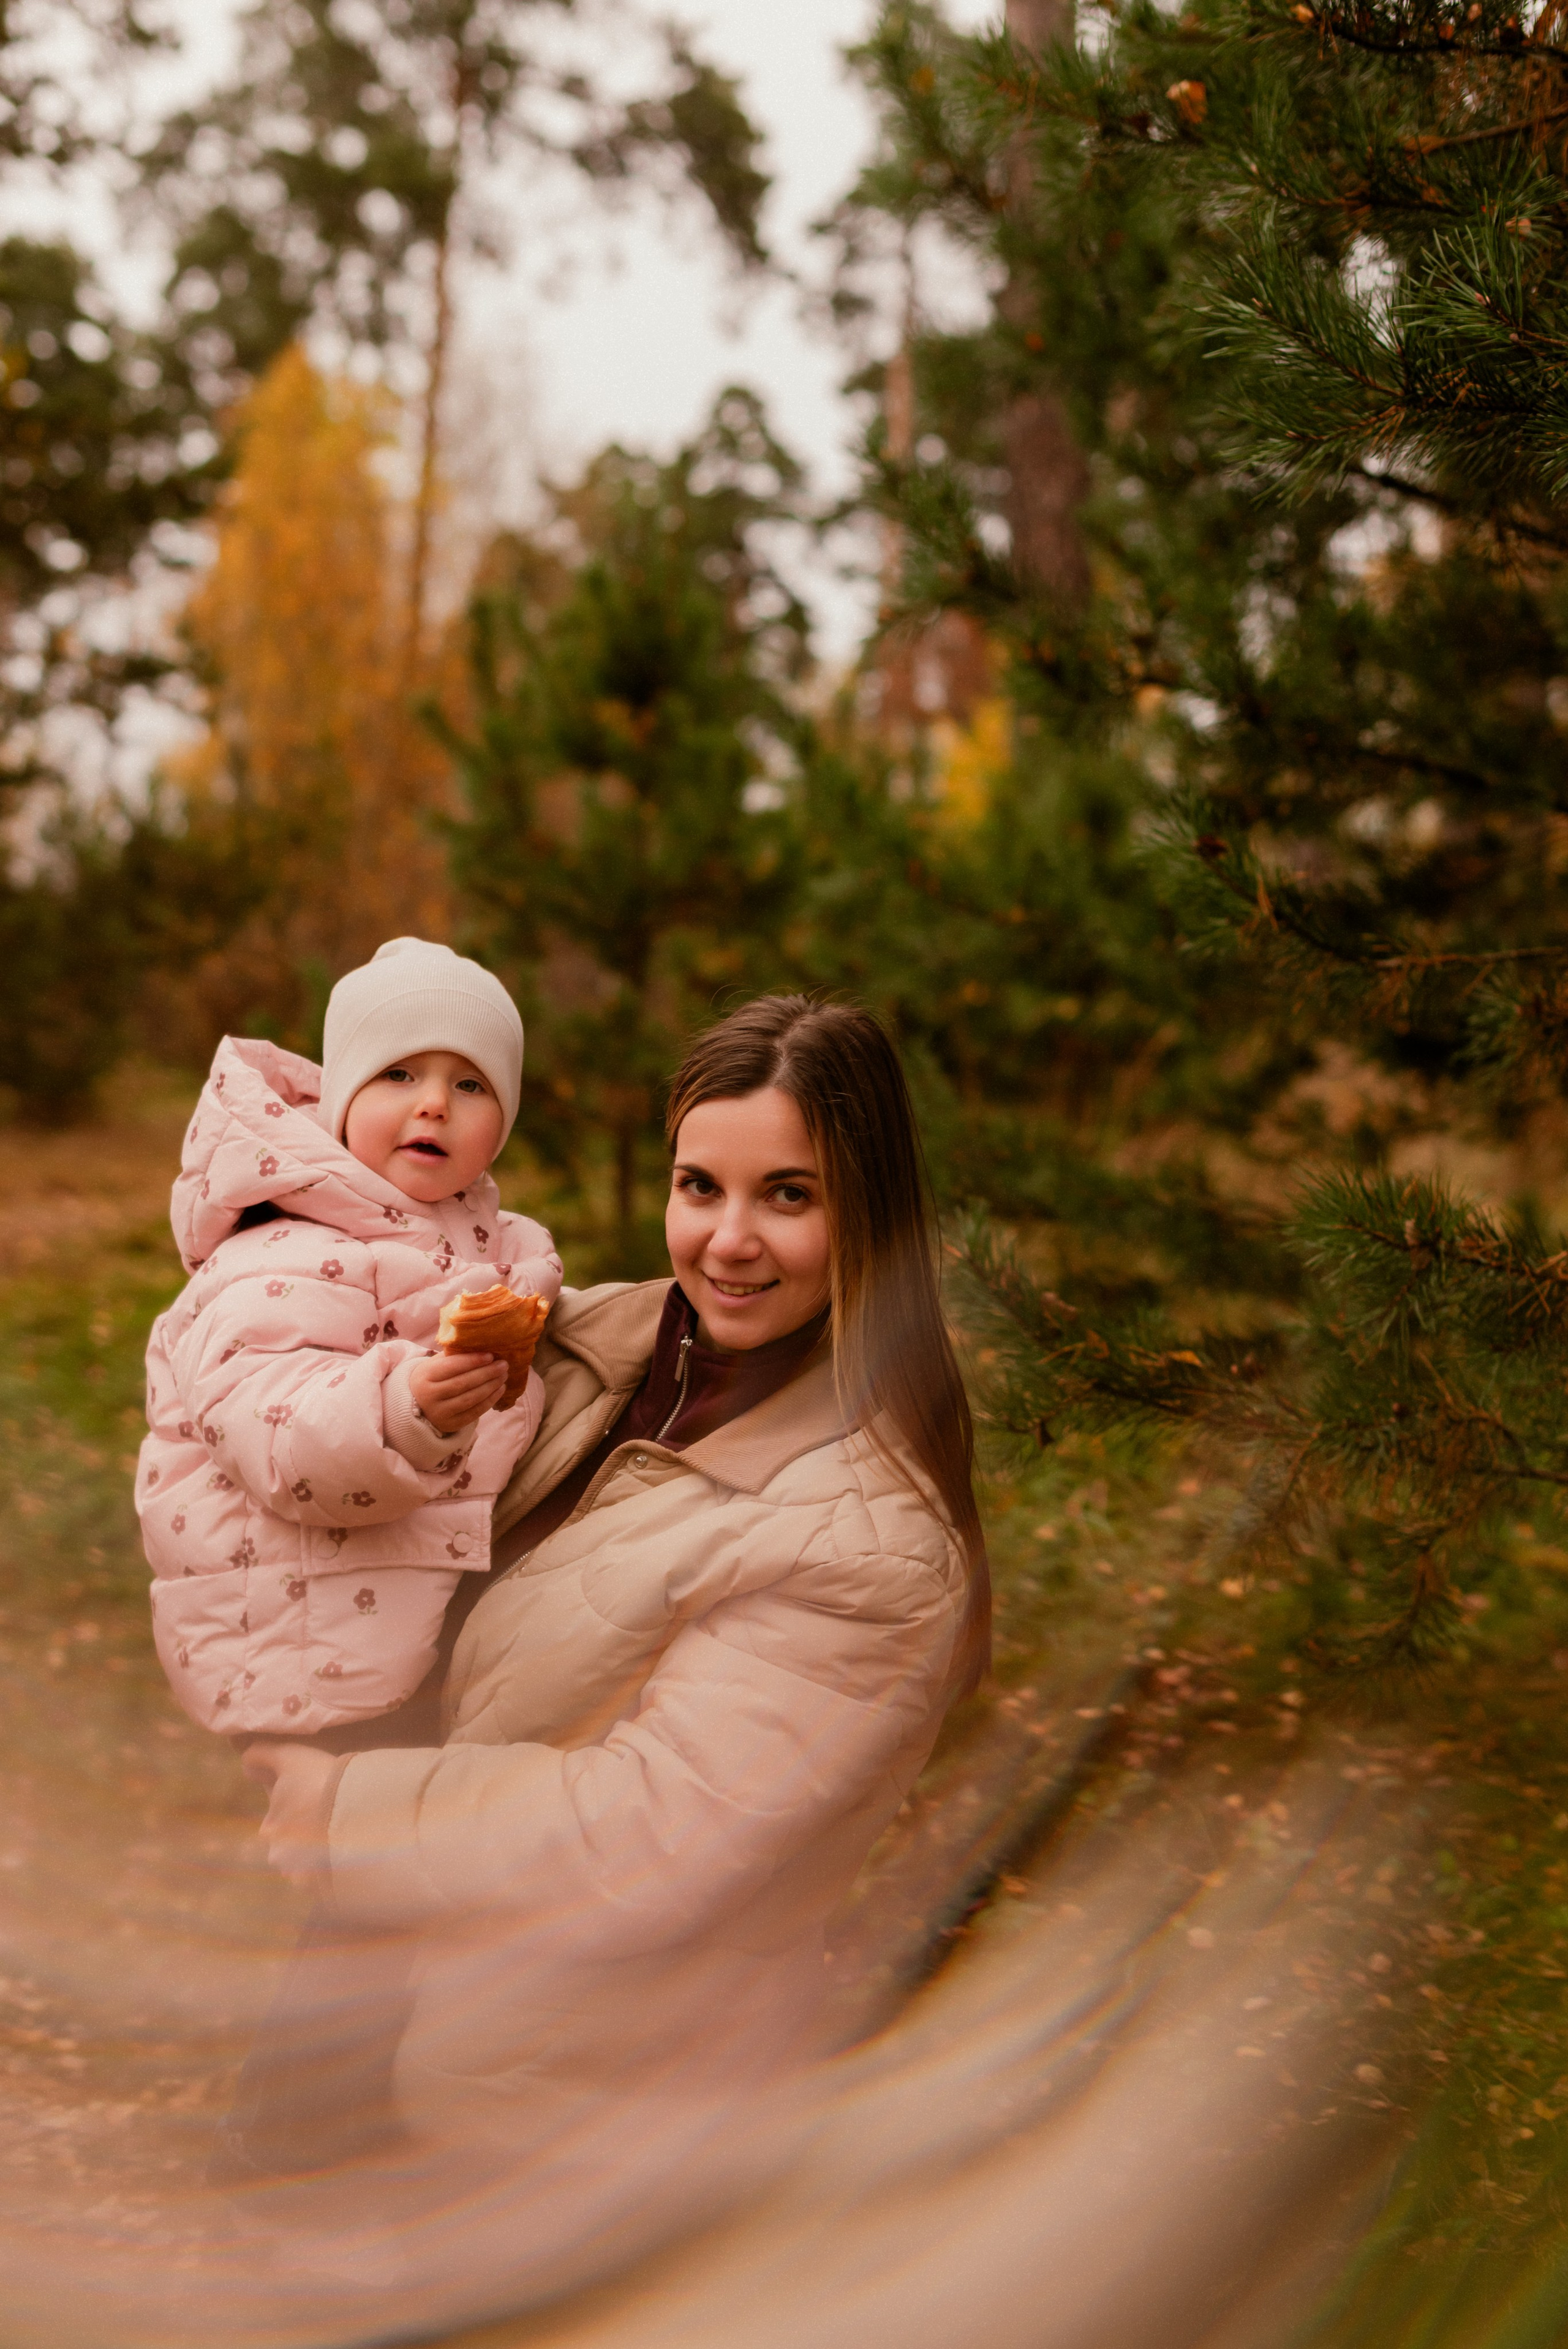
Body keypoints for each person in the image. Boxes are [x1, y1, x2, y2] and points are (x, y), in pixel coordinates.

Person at [238, 995, 989, 2296]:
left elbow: (652, 1830)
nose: (729, 1240)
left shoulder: (871, 1544)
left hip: (563, 2099)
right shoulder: (587, 1342)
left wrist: (348, 1805)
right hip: (380, 1990)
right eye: (699, 1184)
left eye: (788, 1196)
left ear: (870, 1214)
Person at [138, 937, 562, 1743]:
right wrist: (403, 1412)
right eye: (399, 1073)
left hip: (399, 1629)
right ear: (341, 1096)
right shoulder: (277, 1252)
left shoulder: (493, 1248)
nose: (434, 1102)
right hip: (299, 1645)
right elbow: (273, 1425)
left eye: (470, 1083)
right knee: (344, 1848)